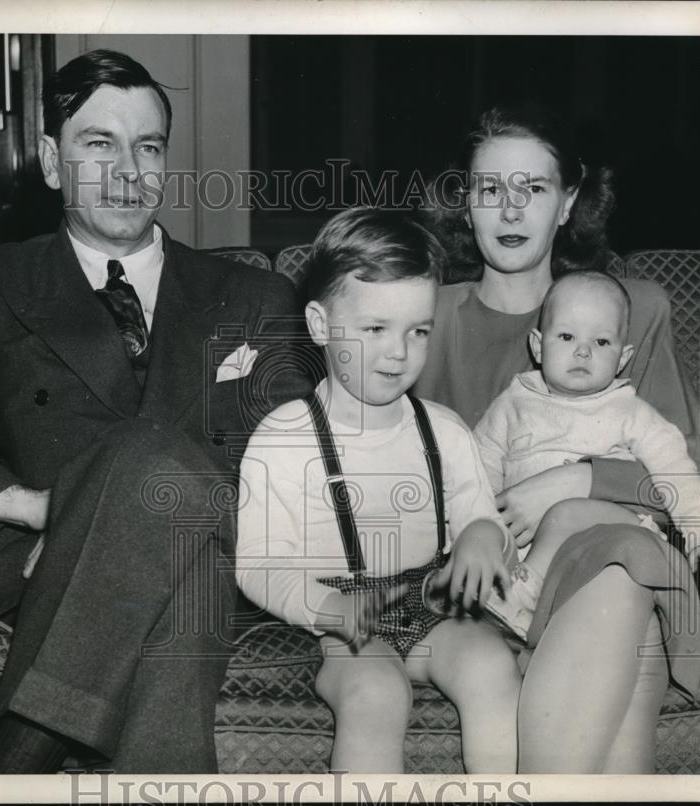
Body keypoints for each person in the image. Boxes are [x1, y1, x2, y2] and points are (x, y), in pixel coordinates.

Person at [0, 49, 310, 774]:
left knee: (165, 496)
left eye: (147, 147)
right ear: (54, 164)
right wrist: (33, 507)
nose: (129, 170)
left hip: (226, 572)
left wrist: (118, 509)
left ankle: (18, 761)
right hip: (36, 576)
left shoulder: (251, 296)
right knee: (179, 565)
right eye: (99, 144)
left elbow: (291, 474)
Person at [413, 103, 700, 773]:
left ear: (568, 202)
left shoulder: (633, 310)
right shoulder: (427, 317)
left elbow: (692, 480)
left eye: (535, 188)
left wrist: (578, 480)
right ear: (466, 205)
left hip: (608, 561)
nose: (512, 209)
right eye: (490, 189)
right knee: (624, 594)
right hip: (481, 586)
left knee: (619, 562)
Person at [235, 207, 521, 774]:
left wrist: (486, 538)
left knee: (492, 665)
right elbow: (258, 564)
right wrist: (330, 606)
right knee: (376, 692)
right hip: (345, 617)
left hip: (432, 605)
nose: (399, 351)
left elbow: (476, 513)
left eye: (418, 331)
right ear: (320, 326)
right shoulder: (284, 437)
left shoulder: (443, 429)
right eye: (375, 330)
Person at [464, 270, 700, 640]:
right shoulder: (512, 404)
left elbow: (678, 474)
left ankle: (523, 598)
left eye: (601, 341)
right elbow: (478, 472)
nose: (583, 350)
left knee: (568, 510)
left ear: (622, 358)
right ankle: (519, 606)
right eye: (566, 336)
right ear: (538, 345)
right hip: (530, 555)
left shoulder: (630, 412)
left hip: (612, 542)